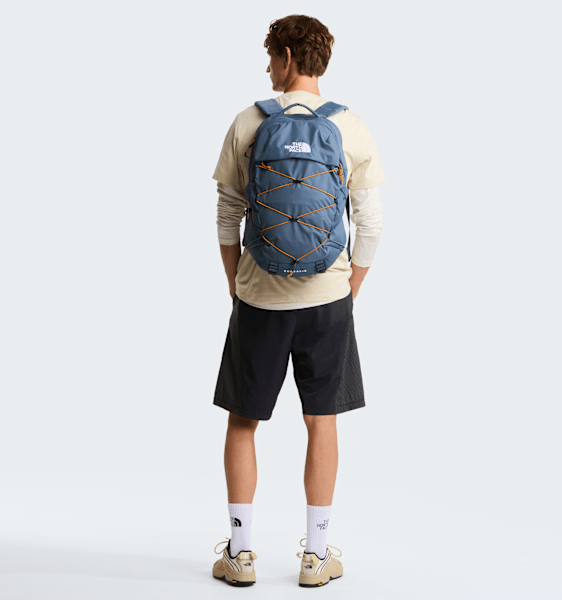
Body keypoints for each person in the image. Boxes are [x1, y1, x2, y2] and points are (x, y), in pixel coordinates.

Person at [210, 14, 385, 588]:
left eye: (270, 57)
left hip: (260, 297)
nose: (268, 68)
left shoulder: (248, 121)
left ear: (287, 56)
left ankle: (240, 556)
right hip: (328, 298)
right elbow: (371, 224)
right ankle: (315, 556)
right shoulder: (350, 127)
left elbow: (227, 216)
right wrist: (347, 289)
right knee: (321, 421)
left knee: (244, 421)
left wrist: (238, 285)